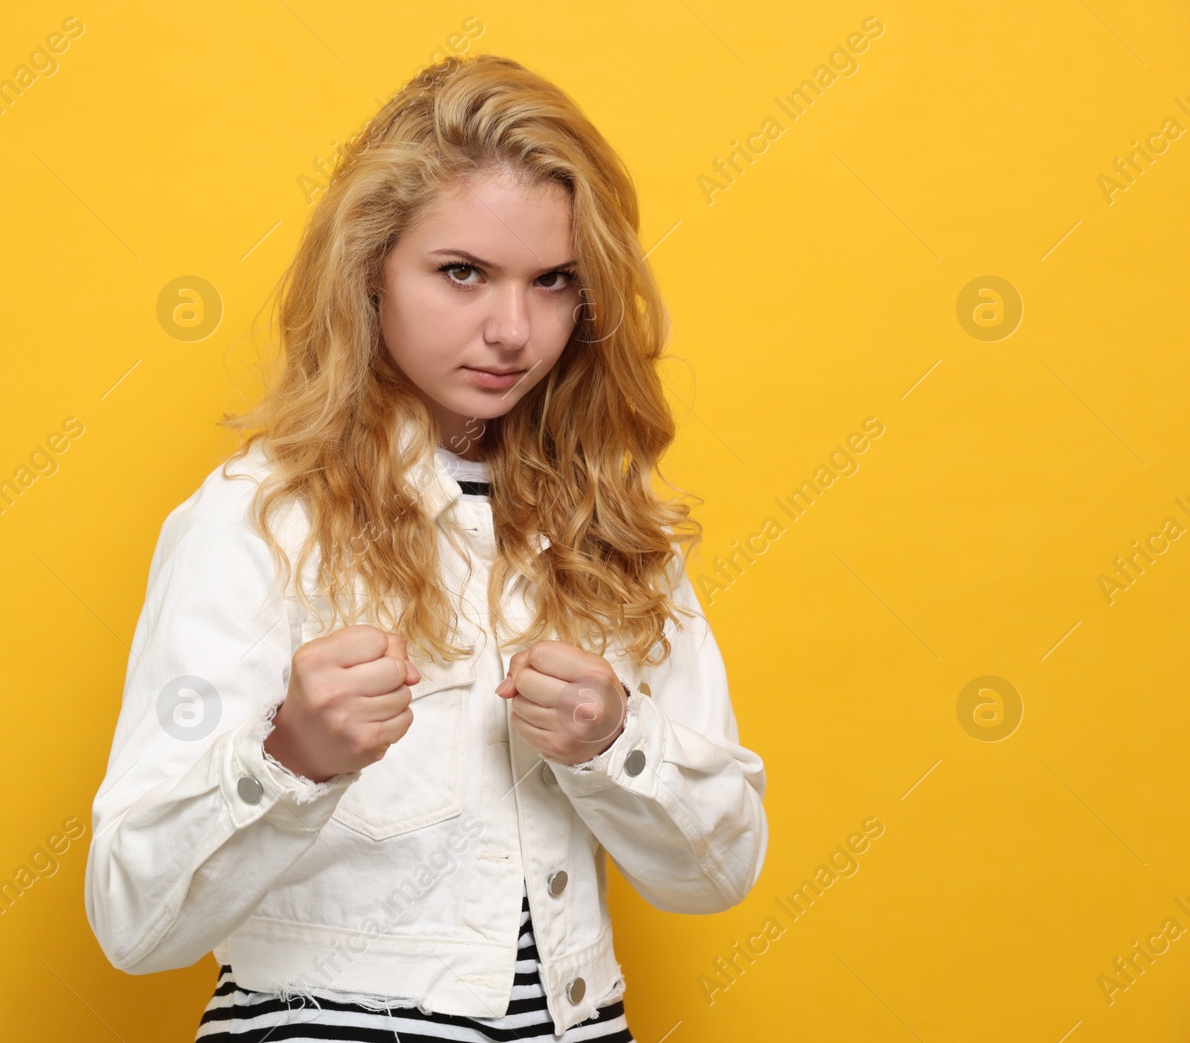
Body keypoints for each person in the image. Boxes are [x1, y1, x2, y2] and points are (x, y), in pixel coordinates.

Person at [84, 53, 769, 1041]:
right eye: (462, 273)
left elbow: (718, 871)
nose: (510, 329)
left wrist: (615, 744)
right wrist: (288, 758)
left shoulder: (609, 528)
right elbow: (131, 920)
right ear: (369, 269)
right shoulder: (257, 519)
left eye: (553, 283)